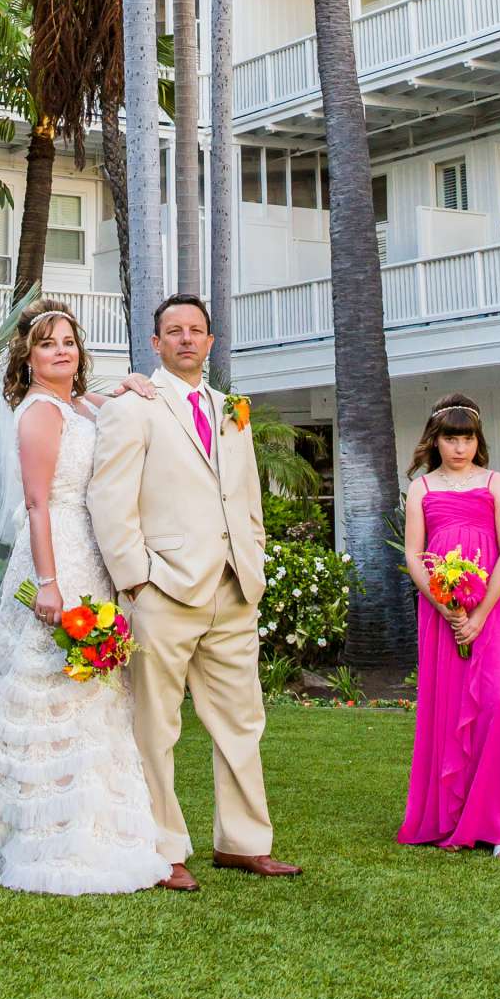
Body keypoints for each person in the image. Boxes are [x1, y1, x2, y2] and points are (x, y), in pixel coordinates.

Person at [0, 301, 169, 894]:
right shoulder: (37, 413)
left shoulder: (78, 404)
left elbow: (109, 409)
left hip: (90, 551)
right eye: (48, 344)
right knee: (46, 686)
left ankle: (95, 819)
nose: (62, 351)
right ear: (27, 359)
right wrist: (50, 583)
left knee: (92, 686)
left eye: (69, 342)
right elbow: (35, 504)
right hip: (55, 551)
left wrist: (129, 382)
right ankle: (37, 826)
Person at [87, 293, 299, 893]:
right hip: (164, 589)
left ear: (209, 343)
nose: (186, 339)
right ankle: (164, 848)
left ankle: (244, 842)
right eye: (173, 331)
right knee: (155, 726)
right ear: (155, 343)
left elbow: (247, 497)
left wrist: (253, 558)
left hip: (234, 588)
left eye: (196, 330)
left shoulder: (232, 410)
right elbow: (110, 498)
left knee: (242, 720)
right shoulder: (135, 408)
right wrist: (137, 578)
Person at [397, 398, 500, 858]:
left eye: (467, 437)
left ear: (478, 441)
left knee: (495, 706)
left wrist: (479, 614)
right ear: (436, 441)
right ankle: (449, 820)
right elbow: (414, 554)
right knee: (447, 711)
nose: (459, 446)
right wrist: (443, 604)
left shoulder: (496, 484)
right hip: (441, 614)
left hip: (491, 611)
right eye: (451, 438)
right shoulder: (421, 489)